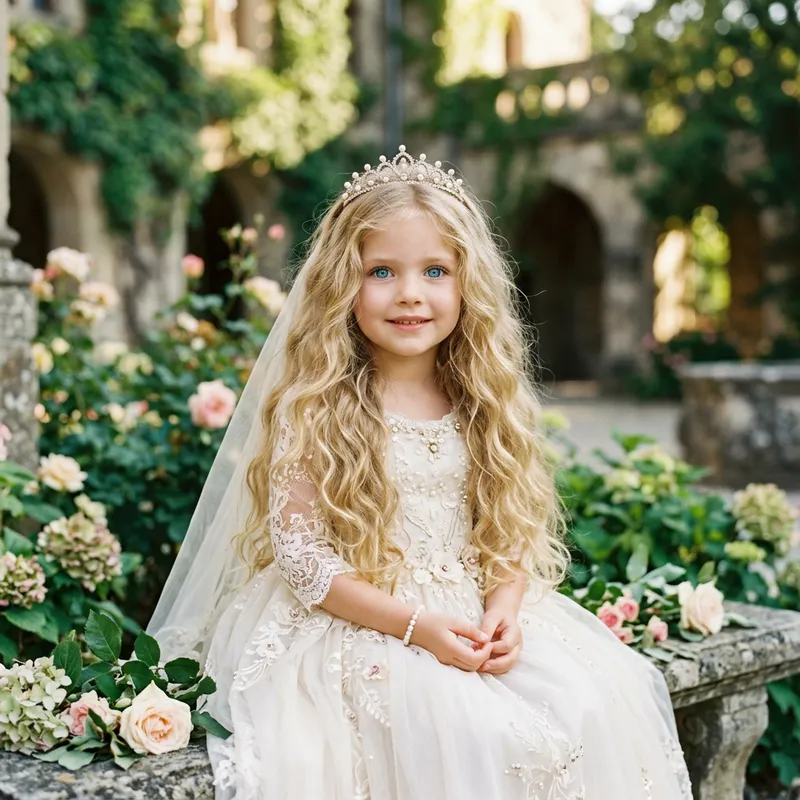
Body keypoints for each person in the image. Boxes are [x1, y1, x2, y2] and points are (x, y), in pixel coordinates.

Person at [147, 146, 693, 799]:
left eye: (435, 270)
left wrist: (506, 610)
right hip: (361, 618)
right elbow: (303, 561)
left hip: (467, 611)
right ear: (340, 284)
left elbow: (509, 529)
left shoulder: (482, 398)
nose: (411, 293)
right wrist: (416, 627)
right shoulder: (317, 405)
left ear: (468, 284)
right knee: (471, 734)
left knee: (598, 700)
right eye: (382, 271)